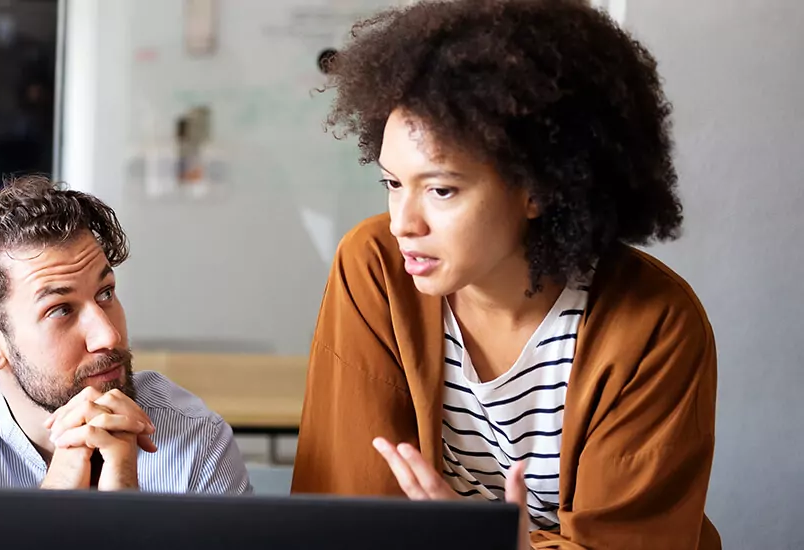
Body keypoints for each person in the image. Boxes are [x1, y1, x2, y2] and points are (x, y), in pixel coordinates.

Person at [293, 1, 720, 548]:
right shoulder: (375, 267)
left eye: (441, 190)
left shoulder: (654, 325)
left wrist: (497, 544)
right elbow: (346, 514)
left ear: (536, 189)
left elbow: (630, 542)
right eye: (393, 183)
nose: (404, 223)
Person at [0, 174, 251, 494]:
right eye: (61, 310)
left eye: (106, 293)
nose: (108, 336)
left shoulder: (193, 437)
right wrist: (53, 513)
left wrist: (130, 517)